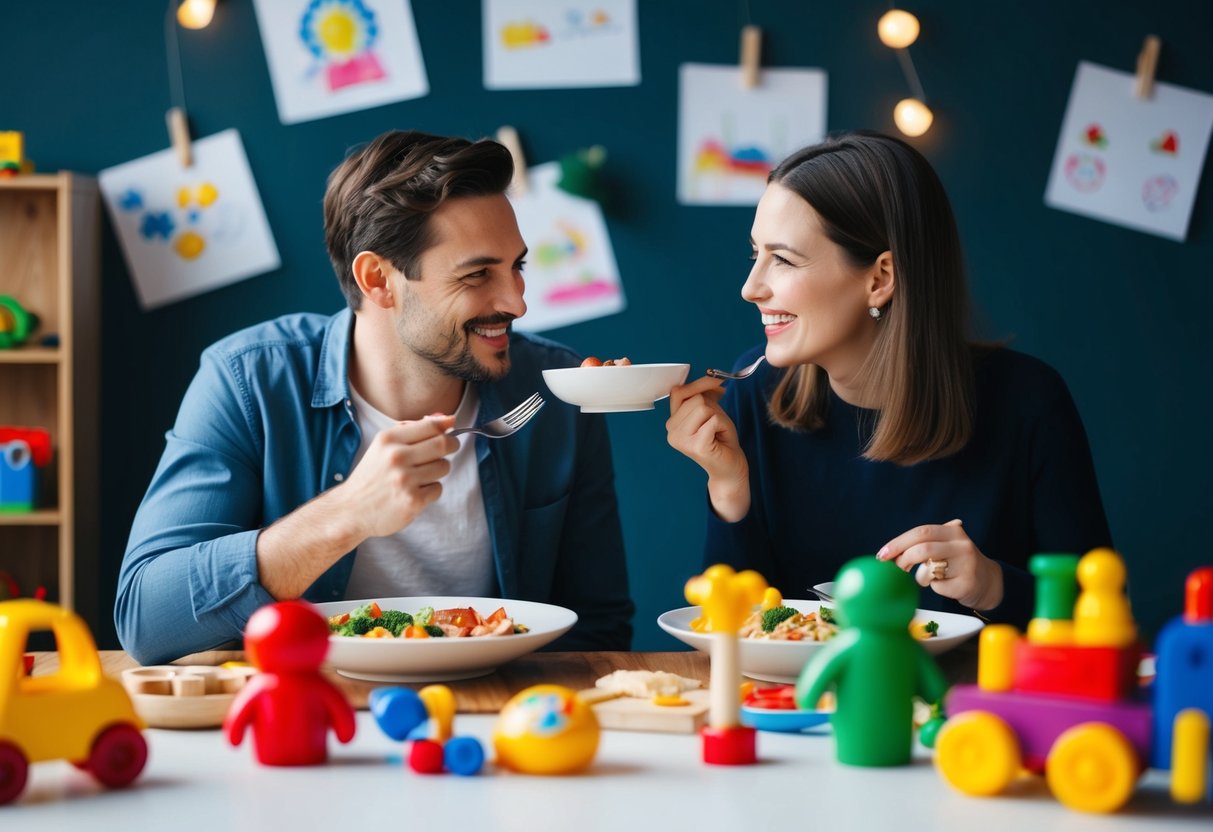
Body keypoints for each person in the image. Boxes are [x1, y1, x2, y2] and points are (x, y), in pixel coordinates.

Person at [116, 130, 633, 664]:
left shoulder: (556, 390)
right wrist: (347, 514)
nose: (517, 303)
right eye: (478, 273)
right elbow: (146, 616)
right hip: (308, 715)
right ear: (378, 279)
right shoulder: (248, 380)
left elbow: (597, 625)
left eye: (516, 267)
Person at [666, 130, 1111, 627]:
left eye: (784, 260)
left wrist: (990, 584)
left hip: (972, 703)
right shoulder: (754, 392)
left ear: (880, 278)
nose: (751, 288)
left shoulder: (1028, 402)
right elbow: (730, 633)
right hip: (797, 704)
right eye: (756, 255)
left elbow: (1097, 621)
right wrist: (729, 489)